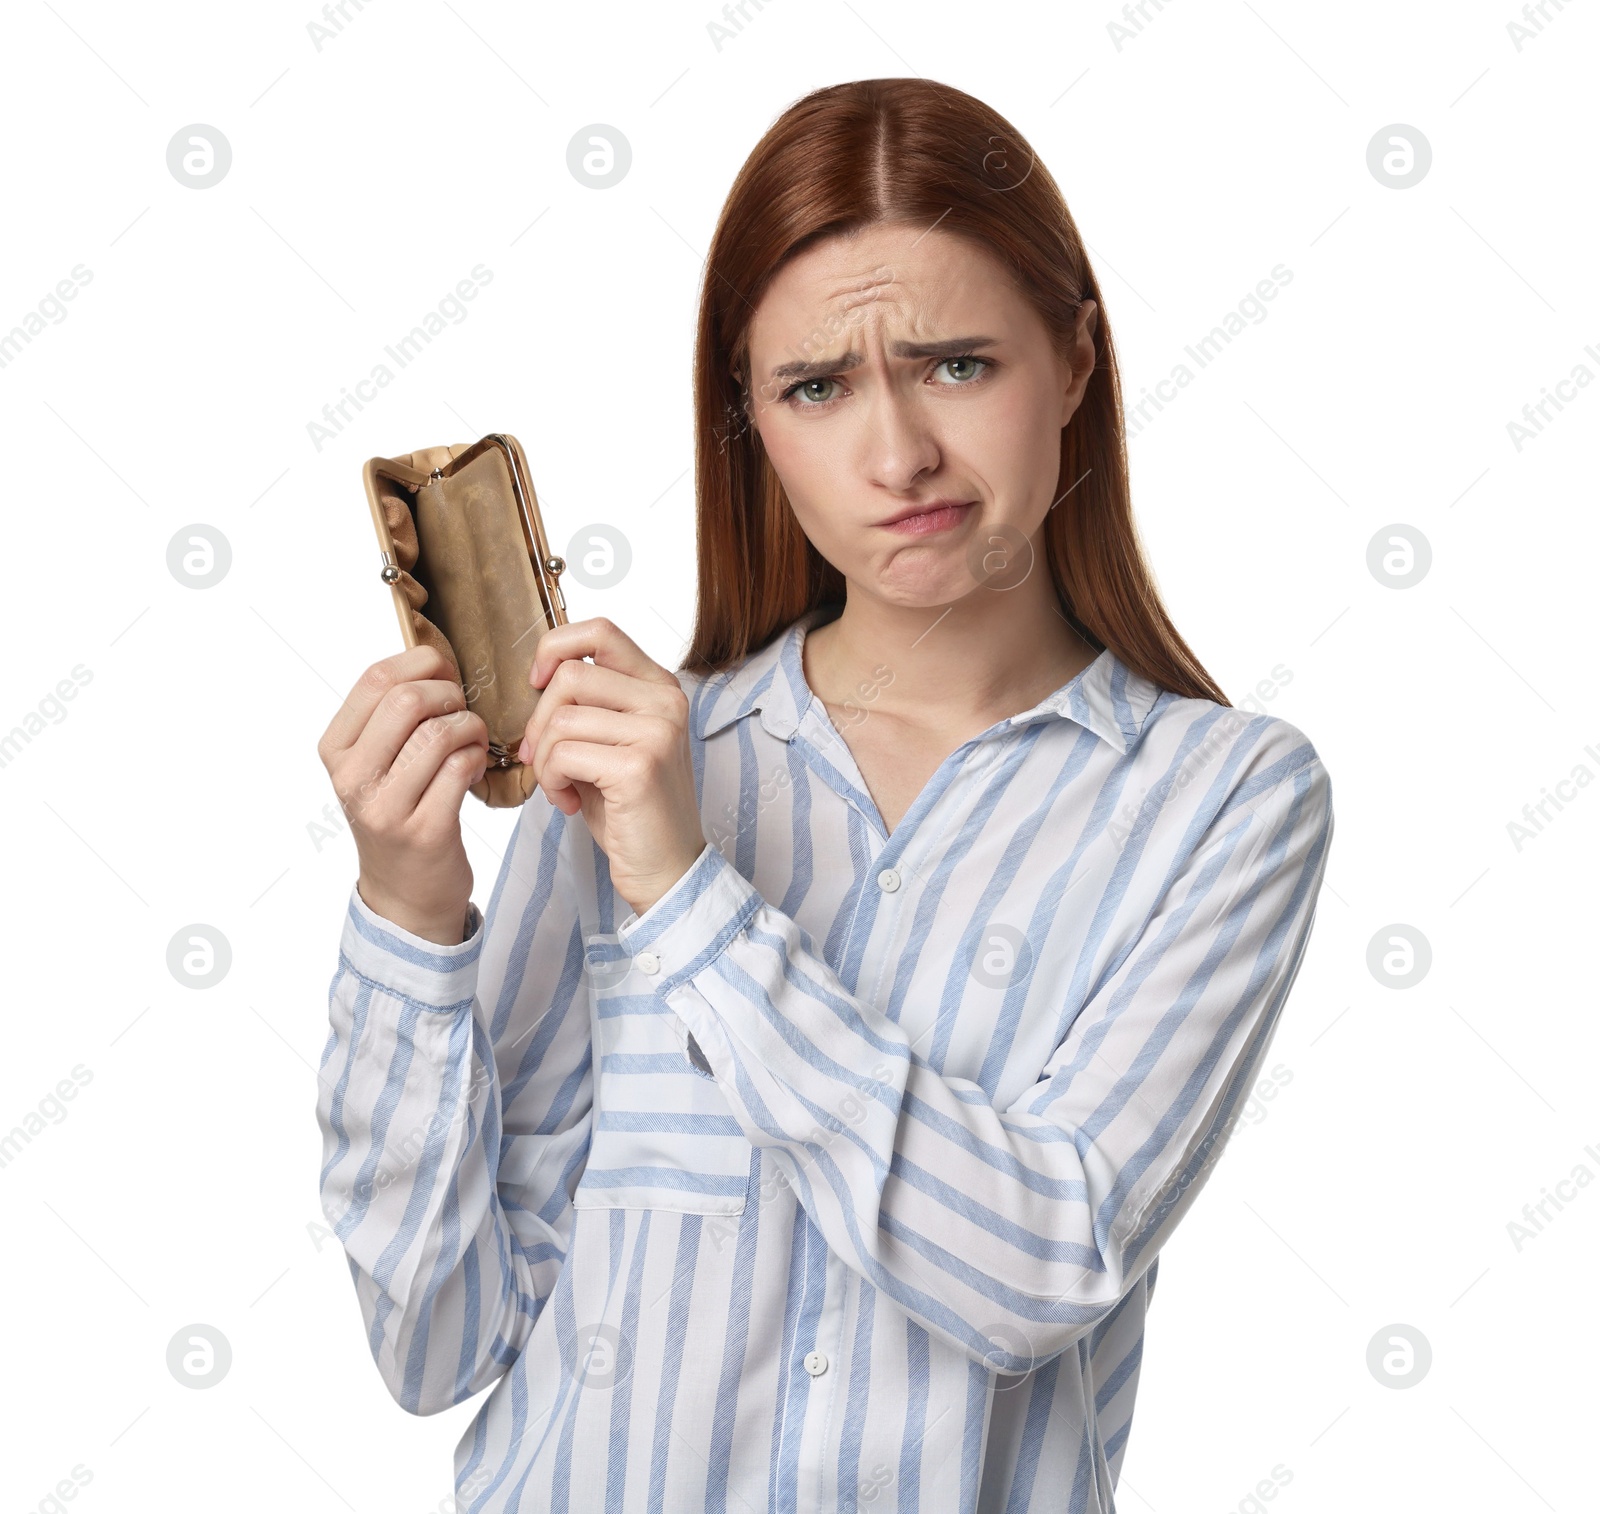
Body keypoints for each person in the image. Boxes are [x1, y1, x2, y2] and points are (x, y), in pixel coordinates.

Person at [314, 77, 1334, 1514]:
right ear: (752, 418)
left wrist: (688, 899)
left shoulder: (1225, 801)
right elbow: (437, 1342)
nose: (897, 453)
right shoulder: (611, 768)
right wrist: (412, 919)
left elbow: (1037, 1263)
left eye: (960, 364)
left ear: (1078, 360)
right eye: (817, 386)